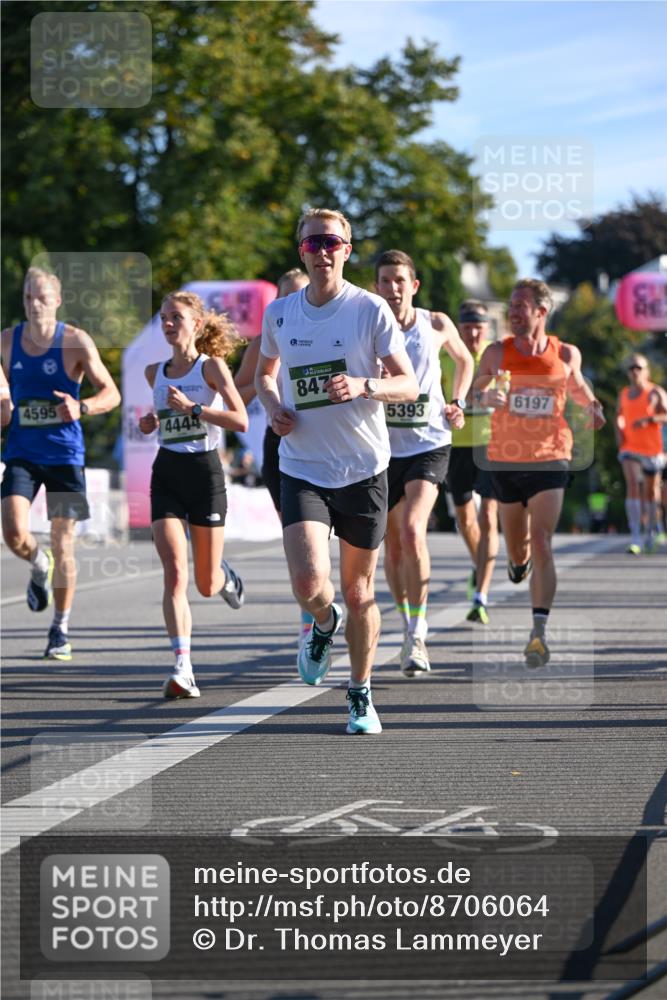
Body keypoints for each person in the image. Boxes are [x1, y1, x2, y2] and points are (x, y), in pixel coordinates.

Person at [255, 208, 419, 734]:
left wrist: (365, 385)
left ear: (347, 250)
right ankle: (323, 623)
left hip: (363, 468)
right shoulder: (280, 313)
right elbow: (264, 373)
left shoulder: (369, 309)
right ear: (300, 251)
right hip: (302, 464)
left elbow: (408, 384)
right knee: (308, 582)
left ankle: (360, 693)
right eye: (312, 243)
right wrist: (272, 407)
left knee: (360, 591)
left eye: (331, 242)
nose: (322, 251)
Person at [474, 278, 605, 668]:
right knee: (519, 549)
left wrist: (593, 408)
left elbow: (578, 388)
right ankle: (519, 563)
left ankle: (538, 632)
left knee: (543, 540)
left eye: (521, 306)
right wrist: (485, 395)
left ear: (542, 311)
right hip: (506, 461)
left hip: (551, 457)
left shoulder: (565, 353)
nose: (513, 313)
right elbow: (473, 392)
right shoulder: (496, 352)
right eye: (512, 305)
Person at [1, 267, 121, 660]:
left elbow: (111, 393)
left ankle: (60, 628)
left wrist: (81, 406)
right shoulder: (7, 341)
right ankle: (38, 563)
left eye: (41, 297)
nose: (34, 304)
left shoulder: (74, 341)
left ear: (57, 300)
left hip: (65, 457)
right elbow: (3, 397)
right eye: (27, 297)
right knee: (13, 531)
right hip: (21, 452)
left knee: (63, 541)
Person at [138, 290, 248, 699]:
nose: (168, 324)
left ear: (197, 325)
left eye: (177, 317)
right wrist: (152, 422)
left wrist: (194, 409)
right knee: (174, 572)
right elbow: (161, 418)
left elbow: (239, 420)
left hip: (205, 474)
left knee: (204, 582)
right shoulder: (154, 372)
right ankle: (182, 667)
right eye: (164, 317)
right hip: (167, 472)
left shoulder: (211, 367)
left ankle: (224, 577)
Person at [375, 250, 473, 675]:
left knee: (414, 529)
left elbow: (465, 360)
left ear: (413, 286)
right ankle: (406, 621)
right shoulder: (368, 325)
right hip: (382, 448)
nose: (392, 288)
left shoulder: (435, 324)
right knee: (393, 546)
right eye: (385, 280)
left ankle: (417, 632)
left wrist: (458, 401)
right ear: (376, 286)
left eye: (400, 280)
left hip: (429, 442)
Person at [234, 268, 314, 644]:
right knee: (298, 537)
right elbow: (237, 395)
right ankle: (309, 616)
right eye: (285, 297)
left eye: (300, 295)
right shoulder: (264, 341)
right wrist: (266, 386)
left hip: (331, 443)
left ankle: (339, 599)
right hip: (280, 442)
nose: (291, 303)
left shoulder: (331, 330)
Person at [441, 300, 500, 625]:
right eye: (467, 328)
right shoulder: (447, 354)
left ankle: (481, 595)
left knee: (488, 515)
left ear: (487, 328)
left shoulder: (497, 355)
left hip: (491, 443)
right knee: (465, 521)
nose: (473, 334)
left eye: (478, 328)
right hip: (456, 445)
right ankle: (481, 564)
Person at [615, 354, 667, 555]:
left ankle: (651, 532)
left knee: (651, 493)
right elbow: (618, 416)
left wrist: (649, 419)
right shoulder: (624, 394)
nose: (635, 371)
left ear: (647, 371)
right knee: (632, 485)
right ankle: (635, 536)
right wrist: (619, 434)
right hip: (629, 448)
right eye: (631, 368)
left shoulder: (655, 392)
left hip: (652, 450)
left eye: (639, 368)